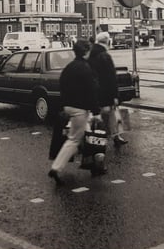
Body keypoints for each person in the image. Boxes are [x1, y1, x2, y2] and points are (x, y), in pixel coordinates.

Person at [48, 39, 99, 186]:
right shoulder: (85, 68)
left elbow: (62, 87)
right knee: (74, 140)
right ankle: (56, 168)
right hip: (80, 109)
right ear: (86, 52)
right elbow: (91, 91)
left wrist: (63, 106)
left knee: (88, 135)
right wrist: (96, 110)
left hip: (68, 107)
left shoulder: (69, 67)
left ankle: (93, 164)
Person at [88, 32, 127, 145]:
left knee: (96, 115)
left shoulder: (90, 54)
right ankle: (115, 137)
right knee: (112, 115)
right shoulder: (105, 55)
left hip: (94, 91)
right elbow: (111, 78)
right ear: (107, 41)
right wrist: (115, 95)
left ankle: (92, 139)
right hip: (106, 92)